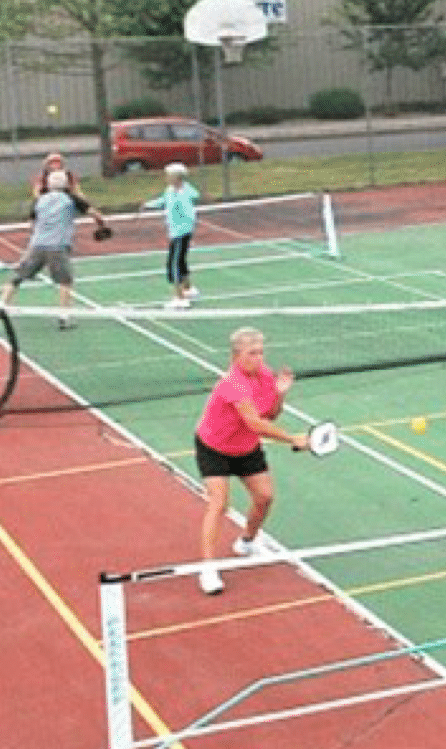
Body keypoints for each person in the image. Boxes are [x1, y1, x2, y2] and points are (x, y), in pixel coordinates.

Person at [193, 327, 310, 595]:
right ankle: (208, 568)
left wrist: (280, 393)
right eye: (252, 353)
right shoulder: (232, 384)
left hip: (245, 448)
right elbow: (255, 423)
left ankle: (246, 542)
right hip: (215, 448)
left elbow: (270, 415)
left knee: (265, 498)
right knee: (219, 503)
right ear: (237, 356)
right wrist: (292, 439)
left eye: (261, 352)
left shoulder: (266, 375)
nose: (258, 358)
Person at [0, 170, 107, 329]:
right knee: (65, 281)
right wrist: (102, 226)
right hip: (58, 246)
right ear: (66, 184)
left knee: (17, 277)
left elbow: (32, 223)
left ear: (49, 185)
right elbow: (96, 215)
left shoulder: (39, 200)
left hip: (37, 245)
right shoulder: (72, 199)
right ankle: (64, 317)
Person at [144, 162, 201, 309]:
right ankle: (188, 289)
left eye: (169, 175)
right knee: (181, 261)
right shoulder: (170, 190)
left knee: (173, 265)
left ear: (178, 177)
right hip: (176, 232)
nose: (167, 178)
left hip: (180, 234)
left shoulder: (183, 192)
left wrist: (186, 228)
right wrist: (148, 204)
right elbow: (164, 201)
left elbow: (190, 213)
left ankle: (179, 298)